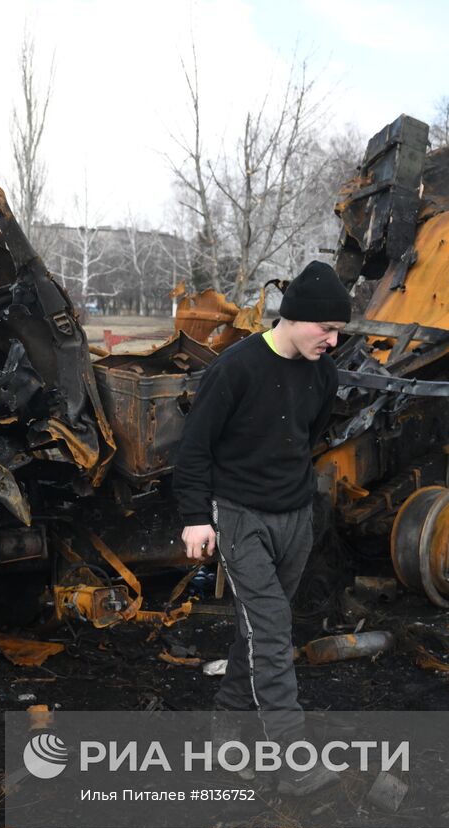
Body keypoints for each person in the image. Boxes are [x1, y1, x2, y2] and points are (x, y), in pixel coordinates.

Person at [173, 260, 349, 793]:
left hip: (295, 518)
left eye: (339, 330)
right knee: (272, 631)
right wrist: (195, 520)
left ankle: (227, 735)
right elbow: (194, 449)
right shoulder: (236, 368)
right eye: (327, 328)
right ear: (295, 318)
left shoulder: (324, 372)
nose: (334, 340)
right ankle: (292, 762)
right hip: (240, 515)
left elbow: (310, 435)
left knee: (257, 630)